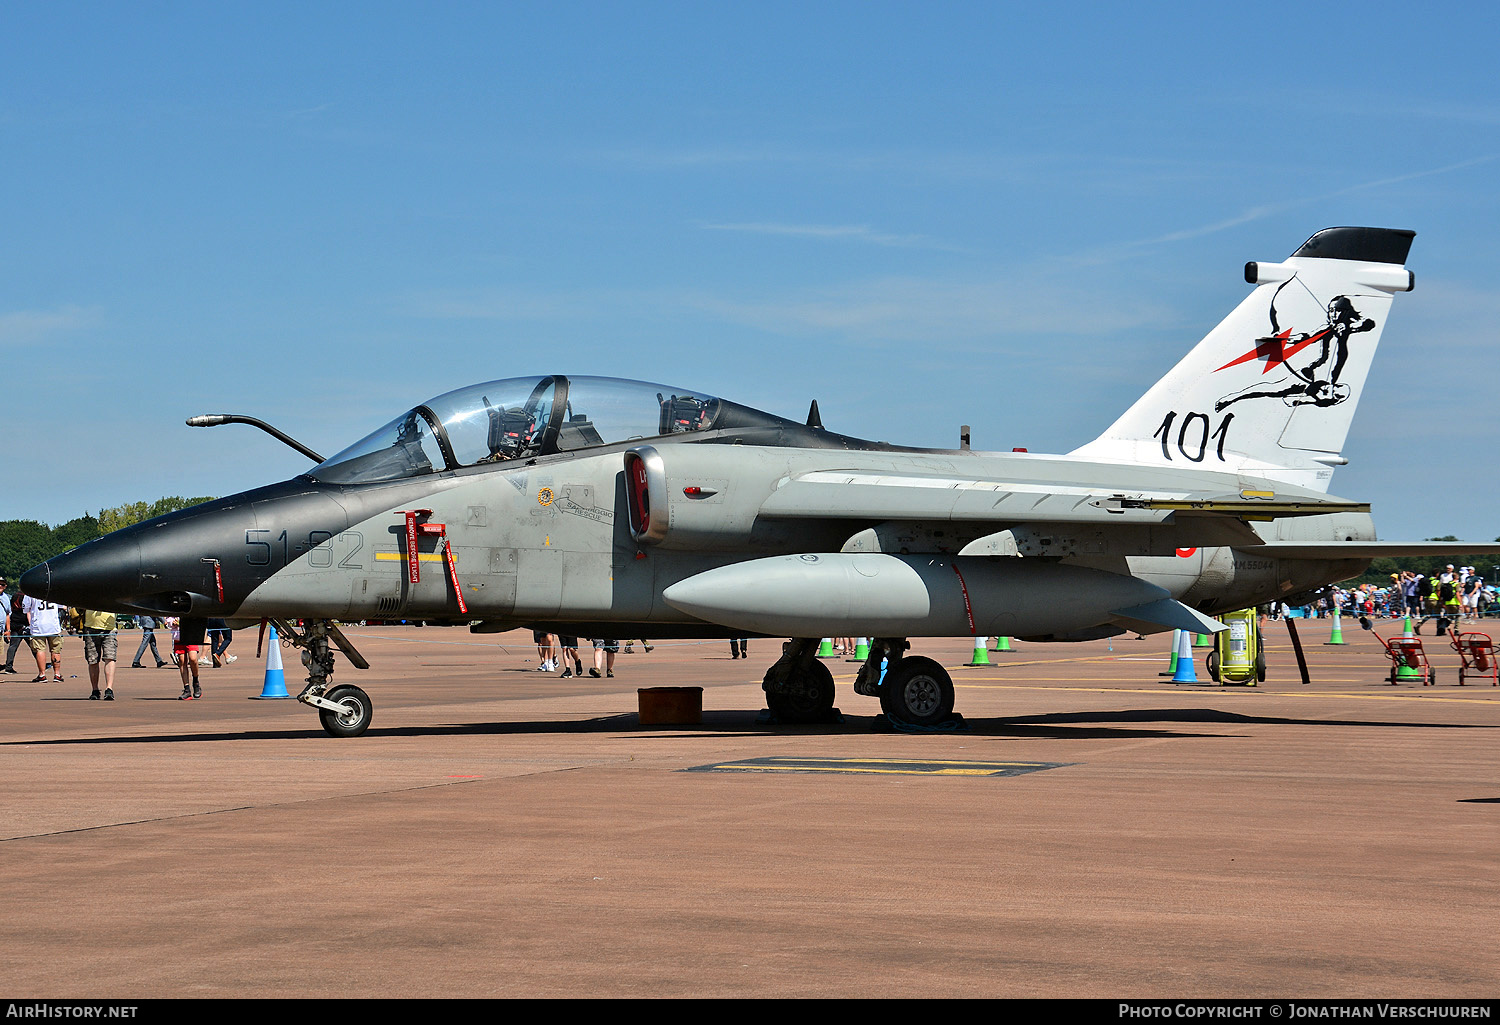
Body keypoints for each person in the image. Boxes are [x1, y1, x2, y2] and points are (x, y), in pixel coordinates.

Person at [73, 608, 118, 700]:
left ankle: (109, 688)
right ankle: (95, 689)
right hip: (90, 627)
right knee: (92, 660)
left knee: (110, 657)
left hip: (109, 628)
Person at [21, 593, 65, 683]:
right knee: (55, 649)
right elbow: (62, 606)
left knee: (40, 650)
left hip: (38, 626)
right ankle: (57, 674)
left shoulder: (30, 592)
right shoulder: (53, 589)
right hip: (53, 625)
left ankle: (42, 674)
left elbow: (25, 609)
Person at [170, 616, 207, 699]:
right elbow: (168, 617)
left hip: (191, 633)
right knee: (182, 661)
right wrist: (172, 622)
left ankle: (196, 682)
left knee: (193, 659)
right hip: (178, 636)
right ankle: (186, 689)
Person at [2, 588, 28, 674]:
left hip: (15, 623)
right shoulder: (27, 597)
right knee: (34, 646)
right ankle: (42, 663)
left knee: (13, 646)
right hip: (23, 623)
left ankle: (8, 666)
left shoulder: (14, 596)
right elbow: (27, 611)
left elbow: (10, 610)